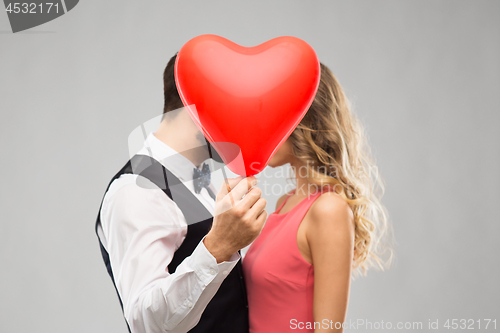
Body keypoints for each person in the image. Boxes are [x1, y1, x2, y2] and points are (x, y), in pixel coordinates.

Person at [95, 53, 267, 333]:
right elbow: (145, 323)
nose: (248, 124)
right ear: (197, 105)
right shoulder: (136, 191)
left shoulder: (203, 179)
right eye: (237, 109)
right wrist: (218, 248)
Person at [242, 62, 393, 332]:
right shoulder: (284, 203)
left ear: (303, 121)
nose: (260, 129)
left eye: (272, 117)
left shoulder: (328, 210)